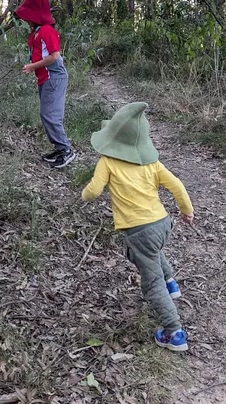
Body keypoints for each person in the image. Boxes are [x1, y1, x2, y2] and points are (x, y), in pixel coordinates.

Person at [81, 102, 194, 351]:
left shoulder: (108, 162)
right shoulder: (152, 164)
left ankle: (174, 333)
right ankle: (171, 283)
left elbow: (94, 190)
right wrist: (187, 210)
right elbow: (177, 186)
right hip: (163, 224)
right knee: (153, 252)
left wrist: (84, 196)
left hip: (139, 231)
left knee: (150, 282)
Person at [14, 0, 75, 169]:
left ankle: (66, 150)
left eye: (28, 17)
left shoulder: (47, 30)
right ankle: (59, 148)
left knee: (49, 115)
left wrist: (33, 66)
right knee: (48, 114)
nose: (26, 20)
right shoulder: (36, 32)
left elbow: (55, 56)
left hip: (54, 77)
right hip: (45, 78)